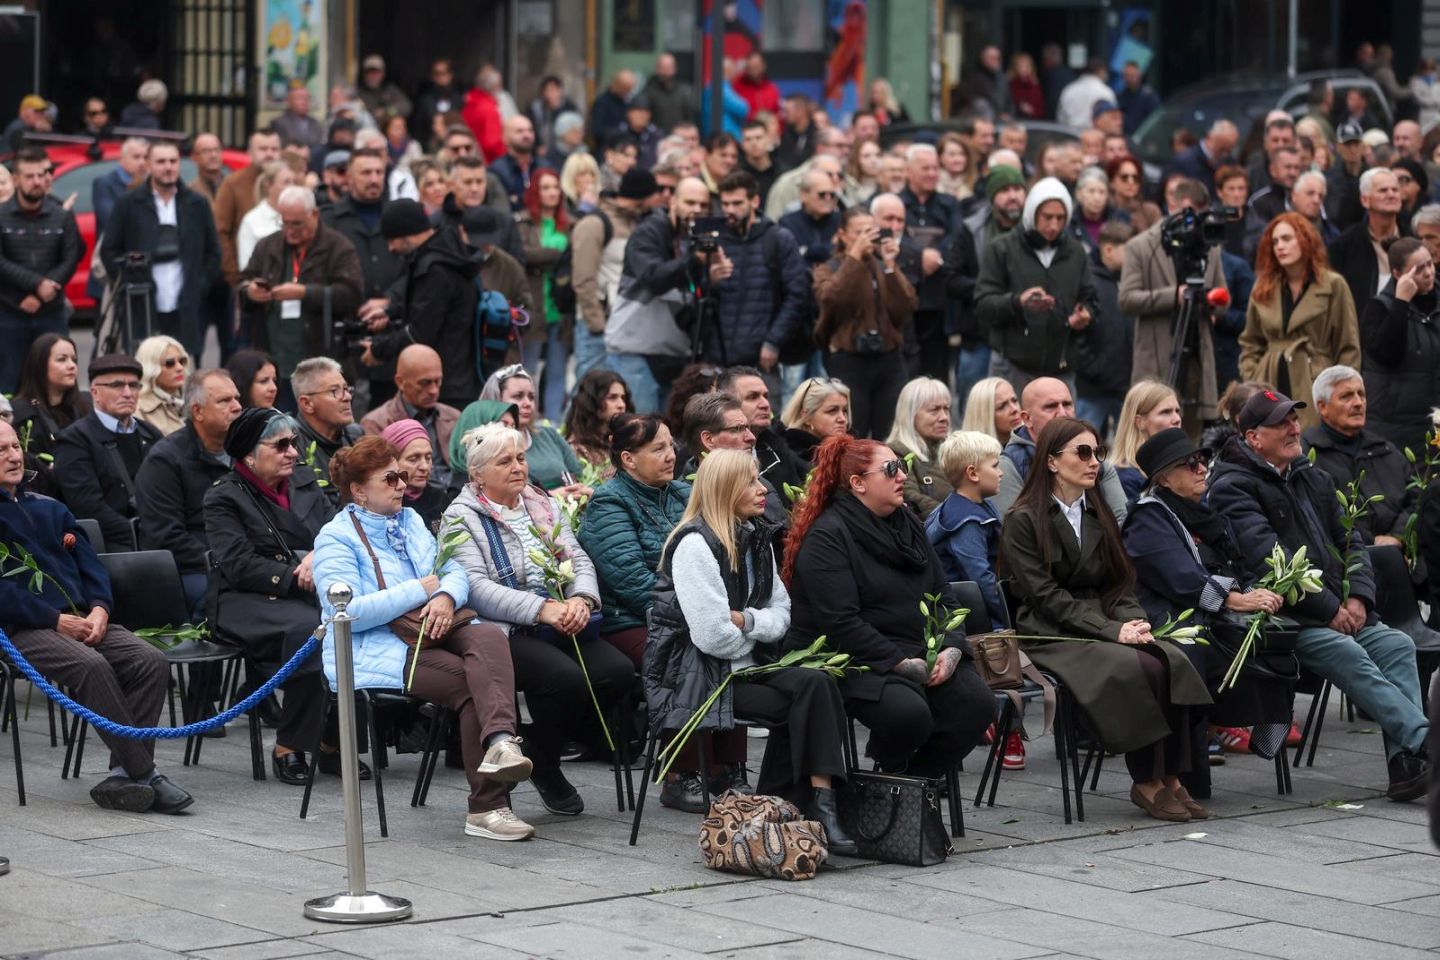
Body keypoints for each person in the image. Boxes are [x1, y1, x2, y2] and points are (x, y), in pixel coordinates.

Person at [1208, 390, 1431, 801]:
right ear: (1254, 437)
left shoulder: (1310, 475)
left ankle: (1405, 768)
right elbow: (1269, 563)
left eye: (1294, 419)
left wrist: (1358, 599)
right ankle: (1425, 740)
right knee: (1348, 653)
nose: (1295, 428)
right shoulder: (1232, 487)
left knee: (1398, 644)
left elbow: (1354, 541)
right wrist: (1330, 610)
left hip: (1340, 609)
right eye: (1282, 423)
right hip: (1288, 619)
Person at [312, 435, 537, 838]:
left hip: (433, 628)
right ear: (359, 491)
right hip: (374, 648)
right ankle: (487, 808)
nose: (403, 484)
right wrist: (421, 590)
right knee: (473, 684)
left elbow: (451, 568)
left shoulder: (411, 520)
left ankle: (503, 741)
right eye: (391, 478)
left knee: (489, 638)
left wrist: (447, 597)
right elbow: (346, 613)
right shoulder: (335, 537)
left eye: (401, 476)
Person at [1001, 416, 1212, 821]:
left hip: (1103, 623)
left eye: (1097, 452)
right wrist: (1113, 631)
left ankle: (1171, 776)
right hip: (1051, 632)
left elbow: (1120, 583)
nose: (1094, 461)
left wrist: (1137, 624)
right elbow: (1043, 596)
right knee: (1137, 668)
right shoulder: (1023, 519)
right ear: (1051, 461)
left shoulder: (1098, 512)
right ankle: (1146, 780)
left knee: (1170, 659)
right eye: (1082, 452)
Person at [646, 448, 856, 847]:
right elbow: (712, 638)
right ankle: (809, 807)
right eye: (752, 482)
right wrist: (752, 626)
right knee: (806, 700)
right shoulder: (694, 546)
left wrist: (747, 620)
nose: (763, 490)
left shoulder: (755, 538)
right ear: (726, 488)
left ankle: (812, 804)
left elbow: (783, 613)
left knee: (818, 682)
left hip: (750, 665)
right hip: (702, 678)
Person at [0, 419, 194, 814]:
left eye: (15, 446)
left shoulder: (51, 507)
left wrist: (101, 609)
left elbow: (91, 567)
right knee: (91, 666)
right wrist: (54, 620)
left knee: (149, 659)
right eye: (1, 450)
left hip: (84, 618)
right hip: (24, 629)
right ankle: (147, 774)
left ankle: (124, 774)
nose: (13, 455)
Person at [444, 423, 632, 813]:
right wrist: (540, 609)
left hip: (560, 615)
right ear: (477, 473)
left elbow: (577, 558)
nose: (518, 467)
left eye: (521, 458)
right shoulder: (462, 517)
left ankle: (536, 750)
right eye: (504, 461)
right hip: (504, 629)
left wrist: (581, 599)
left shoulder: (540, 502)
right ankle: (546, 766)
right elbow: (476, 588)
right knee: (564, 680)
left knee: (617, 672)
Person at [783, 434, 993, 779]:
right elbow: (841, 623)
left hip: (913, 647)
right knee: (909, 714)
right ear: (857, 483)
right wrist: (899, 664)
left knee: (977, 705)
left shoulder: (908, 523)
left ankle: (908, 784)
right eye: (891, 469)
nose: (902, 476)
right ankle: (893, 784)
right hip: (851, 657)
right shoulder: (828, 536)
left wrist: (951, 650)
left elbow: (944, 596)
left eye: (903, 467)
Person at [1123, 427, 1295, 783]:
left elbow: (1235, 562)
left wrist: (1255, 590)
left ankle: (1259, 727)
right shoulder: (1146, 518)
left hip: (1209, 614)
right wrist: (1235, 599)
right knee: (1196, 655)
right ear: (1165, 479)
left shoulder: (1201, 512)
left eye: (1202, 460)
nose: (1202, 469)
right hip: (1169, 619)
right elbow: (1179, 577)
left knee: (1280, 644)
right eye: (1190, 464)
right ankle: (1185, 771)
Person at [1116, 178, 1225, 434]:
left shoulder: (1210, 247)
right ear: (1171, 204)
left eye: (1200, 213)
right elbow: (1126, 299)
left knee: (1193, 436)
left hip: (1199, 357)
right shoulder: (1141, 246)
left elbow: (1222, 298)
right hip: (1158, 359)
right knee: (1152, 435)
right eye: (1188, 211)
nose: (1194, 220)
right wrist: (1173, 295)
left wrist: (1212, 301)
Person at [238, 186, 364, 398]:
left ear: (314, 215)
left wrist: (305, 293)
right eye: (284, 222)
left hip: (319, 359)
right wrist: (249, 292)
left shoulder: (338, 247)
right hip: (273, 359)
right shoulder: (268, 246)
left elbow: (352, 295)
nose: (289, 230)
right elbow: (243, 283)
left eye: (296, 223)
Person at [100, 140, 222, 359]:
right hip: (143, 304)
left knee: (182, 368)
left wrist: (200, 285)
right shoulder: (128, 204)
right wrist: (129, 282)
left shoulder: (197, 204)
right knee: (145, 369)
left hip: (185, 304)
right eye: (161, 161)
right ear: (148, 164)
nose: (168, 167)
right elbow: (109, 250)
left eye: (173, 161)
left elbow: (213, 252)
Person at [134, 368, 241, 617]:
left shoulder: (247, 453)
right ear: (197, 412)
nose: (236, 406)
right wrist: (226, 561)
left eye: (237, 398)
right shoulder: (165, 460)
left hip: (241, 562)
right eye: (225, 401)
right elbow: (165, 536)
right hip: (192, 569)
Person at [1240, 212, 1360, 428]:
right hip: (1270, 380)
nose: (1279, 246)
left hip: (1316, 379)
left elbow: (1348, 345)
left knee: (1315, 449)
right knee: (1272, 445)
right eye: (1275, 241)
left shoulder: (1333, 284)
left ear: (1305, 240)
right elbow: (1250, 342)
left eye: (1287, 239)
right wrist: (1254, 378)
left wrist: (1343, 393)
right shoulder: (1263, 287)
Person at [607, 177, 711, 413]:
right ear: (673, 201)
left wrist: (712, 276)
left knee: (666, 440)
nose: (697, 210)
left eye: (704, 205)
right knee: (640, 434)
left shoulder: (692, 239)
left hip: (674, 353)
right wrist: (693, 260)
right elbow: (654, 278)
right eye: (690, 202)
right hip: (636, 351)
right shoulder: (648, 232)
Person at [364, 199, 482, 407]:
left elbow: (420, 332)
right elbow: (431, 306)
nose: (391, 248)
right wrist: (390, 313)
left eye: (392, 239)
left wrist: (378, 350)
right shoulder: (445, 253)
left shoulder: (435, 269)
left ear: (407, 233)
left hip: (445, 385)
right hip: (457, 378)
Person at [813, 206, 915, 440]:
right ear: (842, 234)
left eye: (870, 231)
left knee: (890, 432)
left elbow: (906, 307)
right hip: (849, 360)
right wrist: (854, 257)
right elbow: (830, 299)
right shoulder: (829, 268)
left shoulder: (880, 265)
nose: (866, 237)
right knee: (852, 431)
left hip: (888, 359)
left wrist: (890, 266)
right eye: (859, 232)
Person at [54, 354, 164, 550]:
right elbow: (88, 508)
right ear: (94, 392)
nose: (128, 393)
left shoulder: (151, 434)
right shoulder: (75, 440)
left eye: (134, 385)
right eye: (117, 385)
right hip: (111, 546)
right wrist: (144, 535)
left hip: (158, 537)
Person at [1303, 365, 1416, 547]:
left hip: (1404, 554)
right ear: (1323, 407)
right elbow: (1320, 515)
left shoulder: (1386, 449)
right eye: (1346, 396)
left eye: (1361, 394)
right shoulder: (1307, 455)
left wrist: (1398, 536)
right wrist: (1371, 543)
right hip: (1348, 562)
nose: (1358, 403)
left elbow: (1417, 499)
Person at [0, 147, 82, 394]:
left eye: (41, 175)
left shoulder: (61, 215)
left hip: (51, 311)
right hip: (10, 311)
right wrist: (35, 286)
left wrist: (48, 288)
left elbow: (70, 257)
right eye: (29, 176)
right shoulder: (1, 216)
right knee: (10, 382)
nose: (37, 181)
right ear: (16, 179)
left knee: (58, 382)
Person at [992, 376, 1129, 521]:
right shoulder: (1009, 466)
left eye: (1067, 404)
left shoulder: (1094, 458)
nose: (1063, 413)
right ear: (1027, 418)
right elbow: (1011, 531)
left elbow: (1123, 522)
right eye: (1051, 406)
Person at [571, 168, 655, 381]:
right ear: (643, 198)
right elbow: (583, 280)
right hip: (597, 328)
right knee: (587, 397)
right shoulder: (594, 224)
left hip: (625, 327)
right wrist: (598, 325)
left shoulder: (636, 223)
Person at [1359, 237, 1440, 455]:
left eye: (1430, 264)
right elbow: (1387, 354)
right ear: (1398, 274)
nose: (1428, 273)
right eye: (1419, 269)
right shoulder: (1379, 308)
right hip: (1394, 426)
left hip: (1434, 423)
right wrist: (1401, 303)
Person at [926, 429, 1007, 631]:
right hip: (977, 623)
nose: (1001, 472)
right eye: (995, 465)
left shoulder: (977, 505)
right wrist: (1010, 616)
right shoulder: (966, 522)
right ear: (972, 473)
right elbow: (981, 580)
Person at [361, 344, 460, 493]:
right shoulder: (376, 424)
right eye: (424, 383)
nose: (433, 390)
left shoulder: (453, 417)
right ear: (400, 382)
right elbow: (377, 481)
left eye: (437, 381)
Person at [478, 364, 586, 498]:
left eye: (531, 397)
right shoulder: (487, 446)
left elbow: (579, 474)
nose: (527, 403)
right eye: (518, 396)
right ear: (496, 400)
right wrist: (552, 497)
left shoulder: (549, 434)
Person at [515, 169, 571, 421]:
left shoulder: (570, 224)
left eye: (555, 187)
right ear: (536, 192)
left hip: (561, 306)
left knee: (558, 369)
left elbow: (573, 258)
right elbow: (524, 255)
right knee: (527, 370)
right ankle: (526, 419)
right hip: (533, 304)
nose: (551, 193)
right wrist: (557, 256)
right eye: (545, 188)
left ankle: (553, 424)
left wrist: (542, 257)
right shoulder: (524, 223)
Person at [10, 333, 89, 496]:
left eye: (74, 359)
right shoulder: (19, 413)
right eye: (62, 359)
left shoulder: (86, 406)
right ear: (40, 365)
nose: (72, 366)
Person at [1328, 168, 1408, 318]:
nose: (1391, 195)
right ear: (1365, 200)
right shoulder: (1343, 246)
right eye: (1383, 190)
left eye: (1395, 190)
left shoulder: (1413, 241)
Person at [718, 366, 806, 497]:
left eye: (766, 396)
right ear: (726, 403)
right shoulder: (706, 457)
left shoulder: (776, 446)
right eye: (753, 397)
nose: (765, 404)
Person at [214, 129, 284, 288]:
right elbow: (221, 232)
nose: (269, 154)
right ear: (250, 152)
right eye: (263, 149)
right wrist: (235, 276)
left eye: (274, 149)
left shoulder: (290, 182)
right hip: (246, 277)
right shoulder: (233, 183)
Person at [885, 377, 953, 519]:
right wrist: (959, 515)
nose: (944, 417)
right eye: (934, 410)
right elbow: (910, 497)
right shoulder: (895, 454)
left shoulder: (955, 451)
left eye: (946, 409)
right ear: (910, 415)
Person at [292, 356, 361, 485]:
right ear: (307, 403)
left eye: (346, 389)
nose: (347, 397)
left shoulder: (355, 435)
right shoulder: (292, 447)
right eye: (334, 391)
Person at [1110, 380, 1184, 501]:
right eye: (1165, 412)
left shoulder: (1188, 465)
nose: (1177, 419)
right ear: (1140, 422)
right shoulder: (1125, 479)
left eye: (1177, 411)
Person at [379, 418, 448, 529]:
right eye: (413, 459)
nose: (424, 467)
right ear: (391, 462)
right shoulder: (380, 504)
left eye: (428, 458)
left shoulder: (440, 498)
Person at [561, 369, 631, 472]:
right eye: (612, 398)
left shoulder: (628, 440)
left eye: (623, 398)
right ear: (593, 402)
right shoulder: (576, 449)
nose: (621, 405)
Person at [235, 161, 295, 272]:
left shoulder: (298, 216)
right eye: (286, 182)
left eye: (293, 182)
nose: (292, 187)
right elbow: (245, 266)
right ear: (268, 185)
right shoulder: (251, 220)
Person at [780, 377, 851, 465]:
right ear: (807, 417)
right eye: (832, 410)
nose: (842, 419)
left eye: (844, 411)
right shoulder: (788, 457)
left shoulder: (855, 453)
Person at [132, 335, 189, 437]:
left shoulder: (191, 401)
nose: (180, 368)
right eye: (169, 363)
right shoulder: (138, 411)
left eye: (181, 361)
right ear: (150, 368)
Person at [961, 376, 1021, 447]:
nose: (1014, 409)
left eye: (1014, 400)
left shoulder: (1032, 444)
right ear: (983, 416)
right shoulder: (971, 455)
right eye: (1002, 406)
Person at [641, 53, 694, 133]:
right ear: (657, 69)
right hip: (655, 138)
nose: (666, 72)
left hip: (679, 137)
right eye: (662, 67)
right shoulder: (648, 92)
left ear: (675, 69)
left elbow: (690, 118)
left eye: (669, 67)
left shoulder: (685, 91)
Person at [272, 84, 325, 155]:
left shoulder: (316, 123)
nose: (304, 102)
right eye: (299, 98)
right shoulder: (278, 123)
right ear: (289, 101)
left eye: (306, 99)